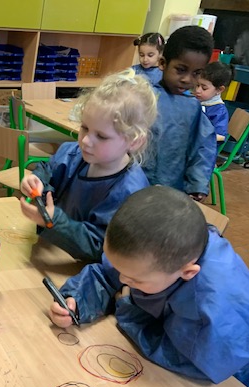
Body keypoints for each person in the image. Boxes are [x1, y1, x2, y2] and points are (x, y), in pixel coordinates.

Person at [49, 186, 249, 387]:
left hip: (235, 373)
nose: (122, 280)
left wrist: (128, 311)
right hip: (190, 335)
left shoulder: (212, 304)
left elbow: (183, 357)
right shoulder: (153, 256)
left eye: (134, 279)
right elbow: (107, 273)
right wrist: (77, 300)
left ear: (187, 272)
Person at [19, 69, 156, 262]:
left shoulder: (130, 192)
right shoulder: (73, 153)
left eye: (101, 136)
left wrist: (54, 221)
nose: (85, 141)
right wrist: (37, 181)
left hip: (81, 272)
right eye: (84, 128)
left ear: (134, 142)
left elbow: (100, 248)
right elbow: (48, 170)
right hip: (49, 252)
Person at [142, 26, 217, 202]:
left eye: (196, 73)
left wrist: (197, 184)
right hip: (133, 184)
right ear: (163, 63)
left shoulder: (192, 107)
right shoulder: (142, 97)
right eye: (181, 70)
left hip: (172, 189)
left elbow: (203, 147)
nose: (187, 79)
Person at [194, 61, 232, 142]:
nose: (197, 90)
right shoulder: (197, 100)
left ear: (219, 90)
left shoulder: (219, 111)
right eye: (197, 85)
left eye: (204, 88)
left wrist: (198, 135)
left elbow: (221, 136)